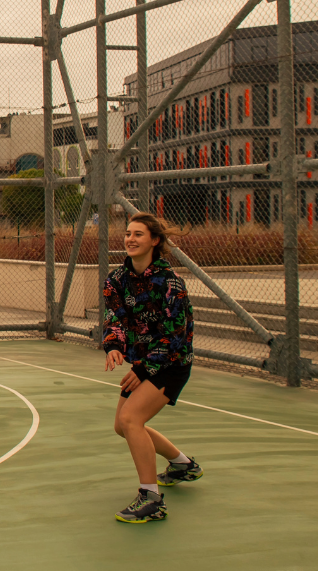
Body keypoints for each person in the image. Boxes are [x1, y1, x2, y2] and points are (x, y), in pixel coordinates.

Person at [102, 212, 201, 524]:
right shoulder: (116, 280)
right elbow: (114, 318)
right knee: (122, 426)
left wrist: (144, 370)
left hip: (171, 363)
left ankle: (151, 499)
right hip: (143, 364)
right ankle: (182, 465)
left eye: (138, 234)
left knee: (131, 419)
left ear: (155, 241)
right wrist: (114, 345)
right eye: (128, 233)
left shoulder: (170, 283)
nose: (130, 239)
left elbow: (175, 335)